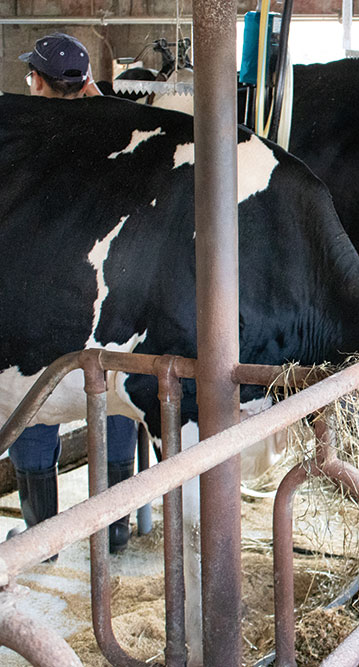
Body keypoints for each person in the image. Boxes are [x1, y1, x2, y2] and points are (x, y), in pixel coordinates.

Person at [9, 33, 137, 557]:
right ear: (86, 81)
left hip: (39, 290)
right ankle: (115, 529)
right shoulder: (122, 128)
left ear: (36, 82)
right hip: (111, 291)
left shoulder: (21, 134)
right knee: (117, 396)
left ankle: (44, 540)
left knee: (31, 405)